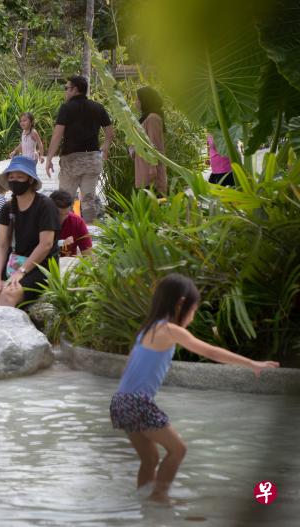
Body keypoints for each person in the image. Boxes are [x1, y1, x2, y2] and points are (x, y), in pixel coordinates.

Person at [110, 273, 279, 502]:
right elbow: (209, 351)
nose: (192, 315)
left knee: (150, 459)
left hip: (120, 401)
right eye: (193, 309)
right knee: (179, 450)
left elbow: (130, 368)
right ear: (181, 303)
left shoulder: (147, 329)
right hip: (136, 402)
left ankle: (144, 505)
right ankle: (159, 501)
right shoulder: (169, 330)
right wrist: (252, 364)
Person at [0, 156, 60, 308]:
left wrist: (22, 271)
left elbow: (46, 244)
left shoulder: (45, 206)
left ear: (30, 180)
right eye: (11, 177)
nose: (15, 180)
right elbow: (1, 245)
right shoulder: (7, 208)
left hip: (41, 267)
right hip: (15, 263)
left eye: (20, 177)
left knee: (9, 293)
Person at [45, 75, 115, 224]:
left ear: (75, 90)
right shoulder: (98, 107)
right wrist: (106, 147)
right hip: (92, 160)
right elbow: (110, 133)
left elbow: (57, 135)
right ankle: (88, 235)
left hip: (72, 161)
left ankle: (65, 234)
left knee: (64, 199)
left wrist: (49, 158)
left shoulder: (66, 108)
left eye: (67, 88)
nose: (65, 92)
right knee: (88, 199)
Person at [132, 86, 167, 195]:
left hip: (150, 171)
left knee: (154, 203)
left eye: (138, 99)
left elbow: (154, 144)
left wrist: (153, 168)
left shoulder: (152, 118)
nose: (135, 102)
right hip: (144, 167)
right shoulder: (146, 117)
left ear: (145, 100)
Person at [50, 190, 92, 257]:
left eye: (66, 214)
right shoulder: (40, 221)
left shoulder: (78, 222)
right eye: (58, 214)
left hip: (68, 264)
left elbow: (88, 255)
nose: (62, 219)